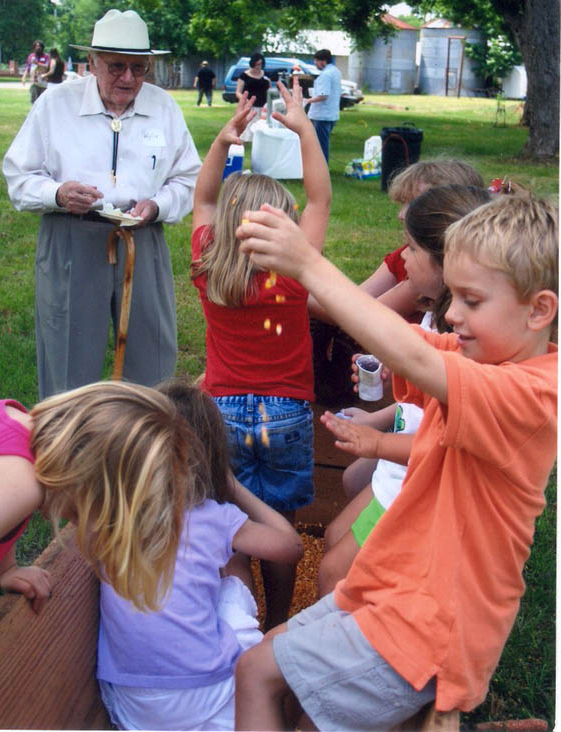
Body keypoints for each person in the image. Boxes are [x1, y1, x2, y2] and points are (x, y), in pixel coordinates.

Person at [235, 193, 557, 729]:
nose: (451, 315)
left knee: (255, 674)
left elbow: (413, 354)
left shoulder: (531, 395)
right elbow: (403, 339)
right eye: (452, 296)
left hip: (432, 624)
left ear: (539, 310)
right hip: (395, 589)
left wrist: (308, 265)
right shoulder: (491, 358)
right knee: (289, 692)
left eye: (472, 301)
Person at [3, 9, 201, 398]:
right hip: (72, 237)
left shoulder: (163, 107)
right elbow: (19, 177)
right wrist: (57, 194)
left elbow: (187, 177)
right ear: (91, 63)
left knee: (153, 356)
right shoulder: (55, 105)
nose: (128, 78)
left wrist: (158, 205)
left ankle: (144, 447)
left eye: (138, 68)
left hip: (142, 238)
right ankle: (67, 451)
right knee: (68, 359)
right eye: (116, 66)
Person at [191, 79, 331, 629]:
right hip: (288, 415)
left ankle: (234, 621)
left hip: (221, 412)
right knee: (281, 528)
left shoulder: (207, 262)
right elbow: (320, 197)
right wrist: (302, 129)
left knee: (230, 523)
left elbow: (203, 197)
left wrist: (223, 142)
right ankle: (275, 623)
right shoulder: (296, 270)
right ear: (284, 226)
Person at [97, 380, 303, 731]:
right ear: (209, 456)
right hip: (207, 690)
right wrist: (232, 487)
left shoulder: (114, 511)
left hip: (130, 702)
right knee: (235, 562)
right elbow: (292, 546)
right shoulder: (214, 517)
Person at [317, 184, 492, 597]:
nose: (402, 258)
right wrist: (379, 415)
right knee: (334, 542)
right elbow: (417, 403)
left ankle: (348, 650)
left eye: (411, 248)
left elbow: (442, 440)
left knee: (333, 575)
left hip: (417, 483)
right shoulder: (436, 315)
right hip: (402, 469)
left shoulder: (464, 341)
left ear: (445, 259)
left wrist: (377, 441)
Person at [309, 158, 484, 406]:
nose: (402, 215)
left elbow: (361, 315)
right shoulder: (410, 256)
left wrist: (297, 281)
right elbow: (359, 298)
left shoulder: (428, 271)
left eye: (413, 204)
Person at [306, 49, 341, 163]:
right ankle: (321, 166)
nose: (315, 64)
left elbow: (323, 95)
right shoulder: (335, 71)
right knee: (323, 143)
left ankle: (321, 167)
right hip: (331, 114)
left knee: (320, 146)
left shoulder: (325, 75)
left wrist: (307, 100)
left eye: (316, 61)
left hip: (321, 115)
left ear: (323, 61)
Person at [235, 54, 271, 140]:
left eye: (261, 64)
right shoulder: (244, 76)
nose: (259, 67)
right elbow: (238, 92)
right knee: (247, 128)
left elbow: (268, 89)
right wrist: (245, 100)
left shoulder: (266, 75)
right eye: (257, 64)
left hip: (263, 106)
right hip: (249, 106)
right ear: (252, 64)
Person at [21, 40, 50, 105]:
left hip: (44, 82)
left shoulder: (46, 56)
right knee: (34, 100)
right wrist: (23, 77)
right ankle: (34, 114)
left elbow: (48, 67)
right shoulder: (31, 56)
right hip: (34, 81)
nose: (38, 47)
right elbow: (28, 68)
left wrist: (37, 63)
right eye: (36, 46)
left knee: (43, 101)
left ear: (42, 48)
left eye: (39, 46)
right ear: (34, 48)